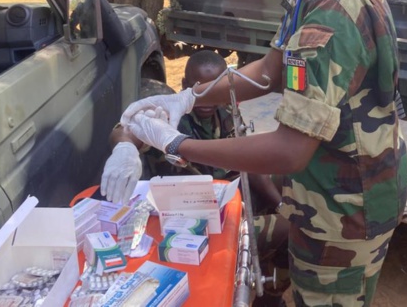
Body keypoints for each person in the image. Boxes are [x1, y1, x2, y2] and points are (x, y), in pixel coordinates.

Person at [118, 0, 407, 307]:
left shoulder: (335, 6)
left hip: (348, 205)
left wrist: (176, 144)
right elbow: (271, 71)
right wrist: (188, 100)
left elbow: (288, 150)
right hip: (329, 190)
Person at [101, 50, 289, 307]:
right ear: (185, 86)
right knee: (290, 231)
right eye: (198, 88)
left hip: (223, 202)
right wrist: (125, 147)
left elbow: (247, 166)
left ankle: (267, 288)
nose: (207, 98)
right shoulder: (172, 115)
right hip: (188, 220)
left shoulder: (226, 114)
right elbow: (129, 128)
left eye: (215, 88)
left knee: (289, 185)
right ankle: (268, 297)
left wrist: (279, 204)